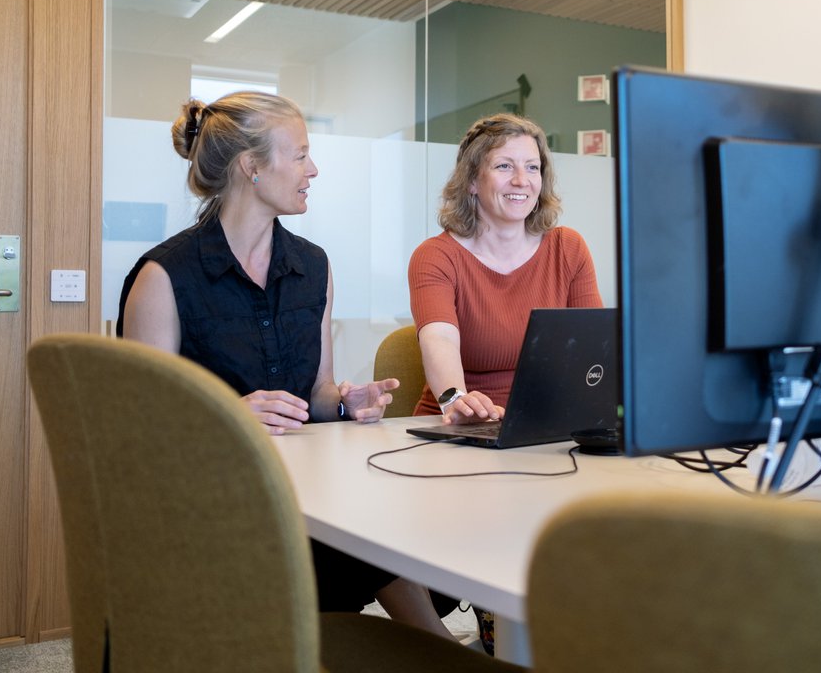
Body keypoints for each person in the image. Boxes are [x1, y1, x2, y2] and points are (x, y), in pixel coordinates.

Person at [116, 91, 454, 639]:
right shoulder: (163, 277)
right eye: (299, 155)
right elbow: (139, 430)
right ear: (252, 166)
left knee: (373, 526)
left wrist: (345, 401)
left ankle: (442, 655)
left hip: (305, 492)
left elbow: (316, 393)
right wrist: (229, 414)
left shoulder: (313, 267)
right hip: (210, 507)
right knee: (363, 534)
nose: (312, 169)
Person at [409, 113, 603, 423]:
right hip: (464, 426)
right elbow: (439, 340)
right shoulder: (436, 256)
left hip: (546, 424)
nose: (521, 180)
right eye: (504, 166)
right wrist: (456, 401)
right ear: (472, 180)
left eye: (532, 167)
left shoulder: (568, 248)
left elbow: (594, 349)